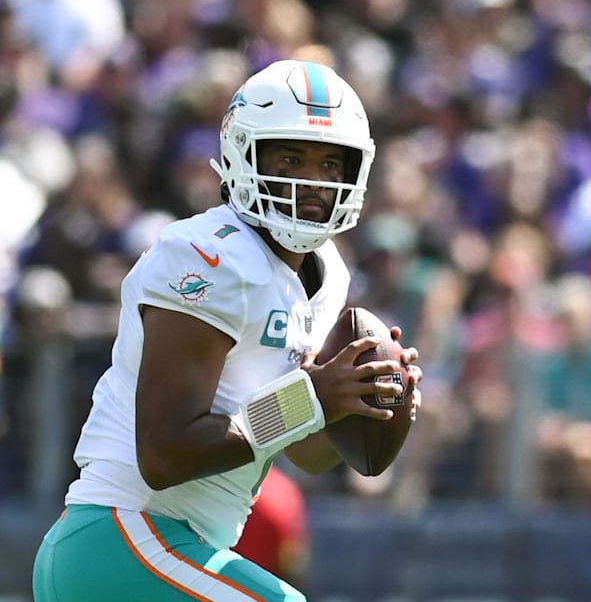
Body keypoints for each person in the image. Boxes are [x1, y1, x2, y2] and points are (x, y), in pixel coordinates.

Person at [32, 59, 423, 602]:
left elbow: (306, 453)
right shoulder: (208, 255)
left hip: (180, 545)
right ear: (243, 153)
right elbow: (165, 454)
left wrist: (355, 400)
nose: (312, 180)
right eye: (290, 156)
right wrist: (312, 395)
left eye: (331, 162)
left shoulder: (327, 272)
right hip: (123, 539)